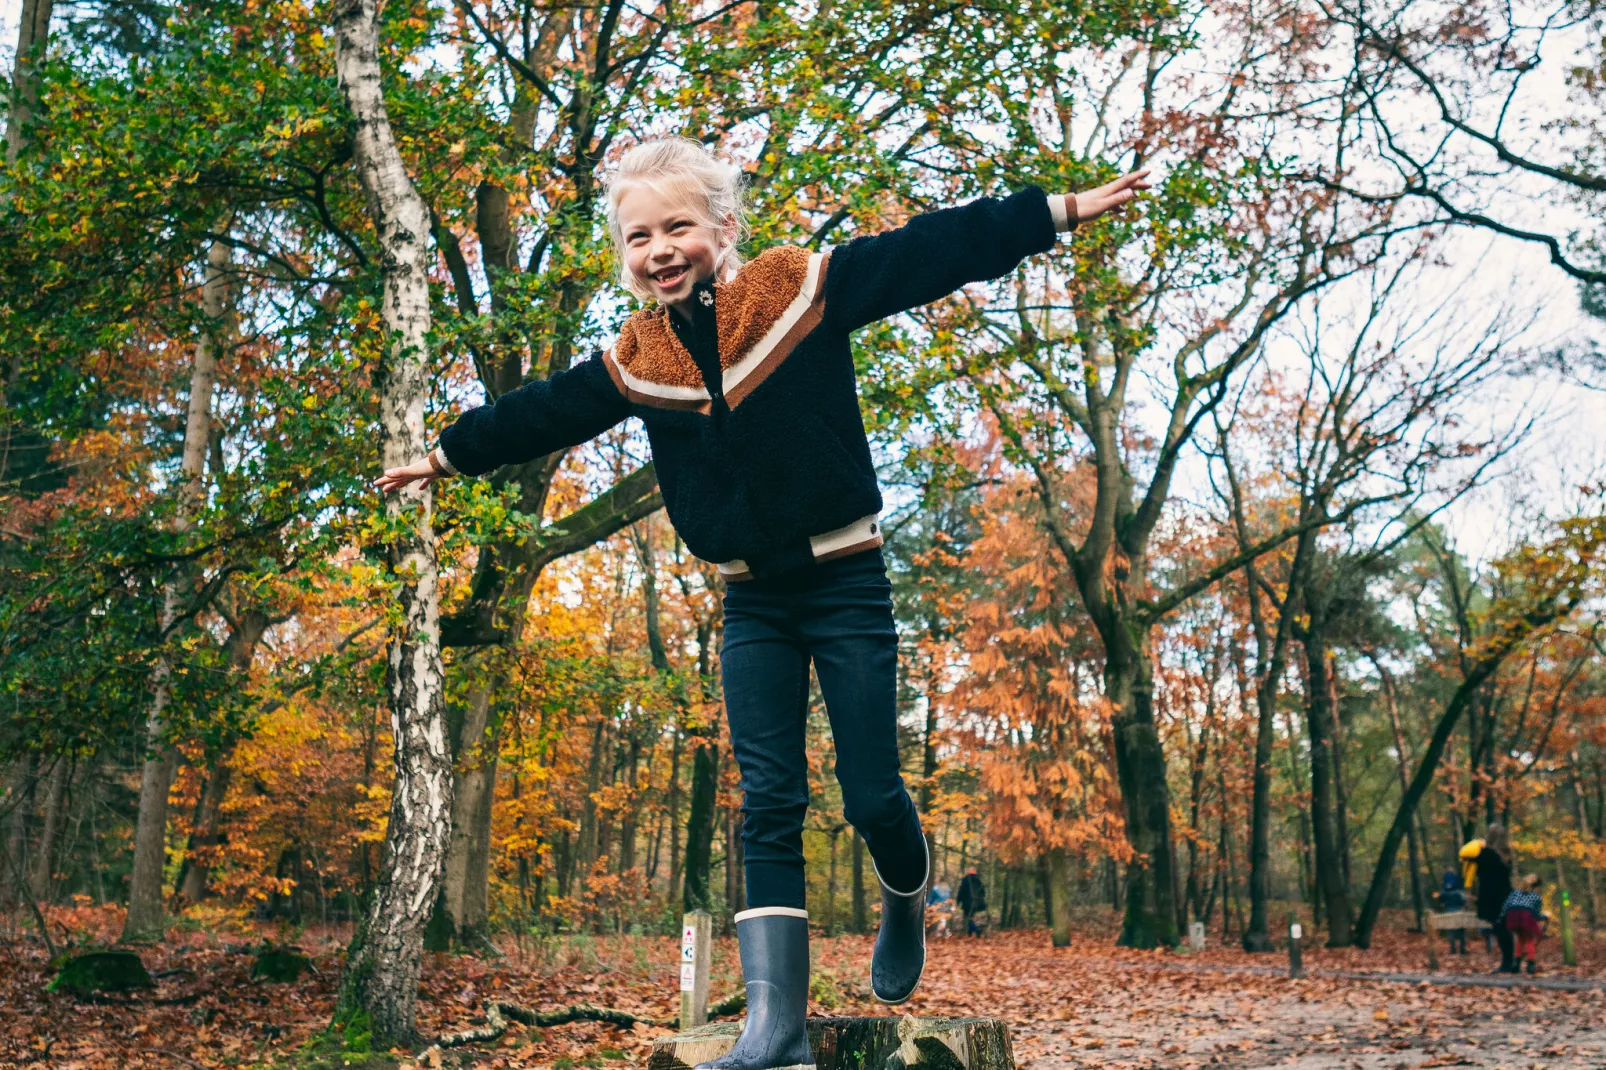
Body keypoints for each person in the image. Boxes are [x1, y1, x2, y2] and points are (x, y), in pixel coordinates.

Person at [375, 136, 1150, 1070]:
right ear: (623, 255)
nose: (658, 248)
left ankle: (907, 892)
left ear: (722, 228)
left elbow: (925, 251)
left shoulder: (796, 292)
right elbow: (544, 410)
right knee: (767, 800)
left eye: (678, 227)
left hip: (846, 580)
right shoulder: (638, 357)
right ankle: (774, 1023)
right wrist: (447, 455)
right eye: (637, 237)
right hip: (753, 602)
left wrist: (1053, 212)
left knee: (869, 791)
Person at [1467, 824, 1516, 973]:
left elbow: (1468, 858)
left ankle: (1507, 964)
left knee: (1500, 929)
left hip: (1492, 897)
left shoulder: (1487, 853)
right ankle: (1510, 961)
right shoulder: (1506, 855)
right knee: (1504, 930)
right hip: (1506, 895)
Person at [1500, 874, 1547, 975]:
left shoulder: (1514, 892)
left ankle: (1516, 964)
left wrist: (1503, 916)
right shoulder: (1536, 897)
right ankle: (1530, 965)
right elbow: (1536, 912)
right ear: (1536, 887)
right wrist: (1544, 917)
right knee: (1530, 939)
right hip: (1526, 916)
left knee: (1520, 938)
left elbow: (1506, 905)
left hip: (1512, 915)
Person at [1436, 870, 1468, 954]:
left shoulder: (1443, 892)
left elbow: (1441, 904)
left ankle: (1453, 949)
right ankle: (1462, 949)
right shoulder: (1458, 891)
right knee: (1461, 930)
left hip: (1448, 911)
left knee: (1451, 931)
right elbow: (1464, 901)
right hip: (1458, 911)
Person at [957, 866, 987, 937]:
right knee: (971, 916)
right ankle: (970, 933)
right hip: (978, 902)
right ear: (975, 872)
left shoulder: (965, 880)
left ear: (968, 871)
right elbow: (983, 892)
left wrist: (958, 900)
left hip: (967, 902)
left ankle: (976, 930)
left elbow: (961, 891)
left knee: (967, 917)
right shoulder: (978, 880)